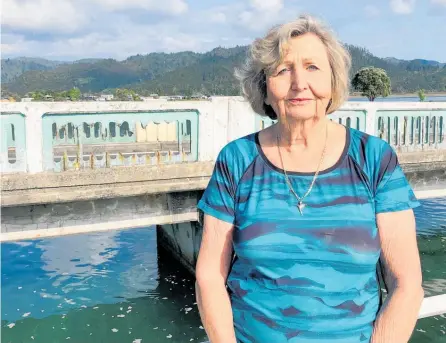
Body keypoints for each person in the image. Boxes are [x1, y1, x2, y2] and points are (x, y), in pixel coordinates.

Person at [195, 14, 424, 343]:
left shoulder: (373, 159)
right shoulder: (238, 160)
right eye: (282, 70)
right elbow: (209, 276)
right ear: (265, 88)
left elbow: (406, 282)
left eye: (312, 67)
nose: (299, 83)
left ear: (333, 82)